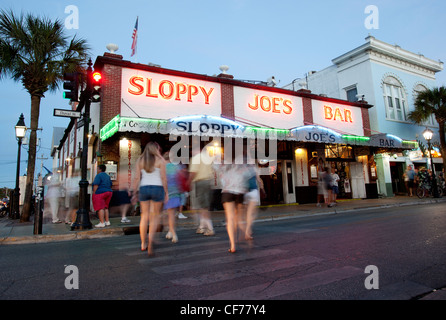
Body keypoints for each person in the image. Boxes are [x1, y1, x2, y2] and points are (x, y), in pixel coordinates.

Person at [131, 142, 168, 256]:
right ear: (156, 149)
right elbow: (163, 177)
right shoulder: (160, 160)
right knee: (154, 217)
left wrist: (134, 192)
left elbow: (137, 177)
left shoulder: (140, 160)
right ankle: (151, 242)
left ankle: (143, 243)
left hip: (144, 188)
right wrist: (166, 192)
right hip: (157, 188)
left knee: (144, 217)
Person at [215, 153, 251, 253]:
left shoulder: (223, 164)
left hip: (228, 192)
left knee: (230, 218)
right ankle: (243, 233)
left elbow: (214, 166)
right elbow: (247, 175)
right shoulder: (242, 164)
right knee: (238, 216)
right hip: (240, 192)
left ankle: (233, 245)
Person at [189, 144, 215, 236]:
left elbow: (193, 172)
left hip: (200, 182)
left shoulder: (196, 158)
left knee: (203, 207)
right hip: (208, 182)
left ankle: (210, 228)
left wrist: (188, 182)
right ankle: (201, 227)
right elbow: (213, 171)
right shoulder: (208, 158)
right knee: (204, 206)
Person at [163, 151, 182, 243]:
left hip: (166, 193)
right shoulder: (177, 167)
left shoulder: (162, 168)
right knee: (172, 214)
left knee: (166, 215)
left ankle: (173, 233)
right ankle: (170, 231)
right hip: (175, 193)